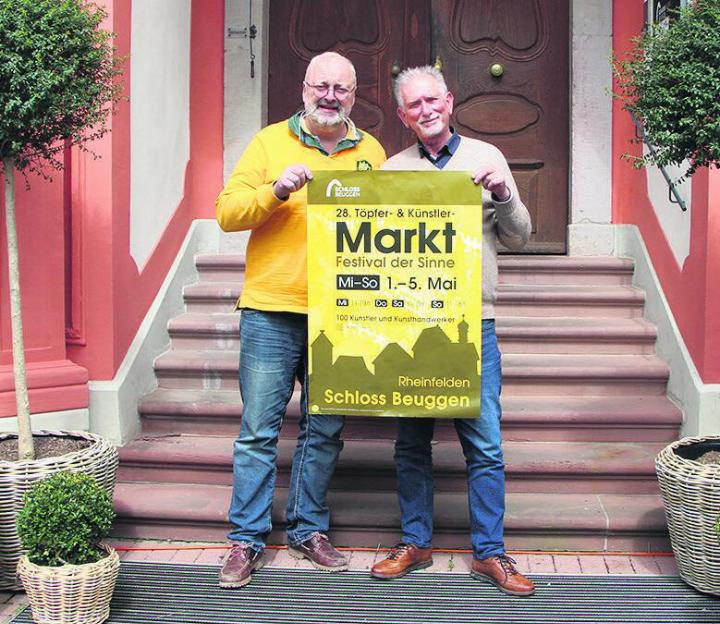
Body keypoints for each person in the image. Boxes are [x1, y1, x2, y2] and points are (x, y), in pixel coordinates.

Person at [215, 51, 386, 588]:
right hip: (271, 308)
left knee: (325, 428)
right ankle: (245, 540)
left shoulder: (373, 152)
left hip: (340, 316)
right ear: (303, 88)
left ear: (354, 96)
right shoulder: (269, 143)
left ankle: (308, 528)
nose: (330, 95)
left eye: (342, 88)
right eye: (321, 85)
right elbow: (226, 213)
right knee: (259, 431)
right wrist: (276, 191)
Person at [371, 66, 535, 597]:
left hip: (474, 323)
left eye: (432, 100)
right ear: (403, 114)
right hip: (411, 324)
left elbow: (520, 239)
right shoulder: (391, 170)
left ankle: (490, 553)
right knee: (411, 443)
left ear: (450, 101)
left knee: (484, 444)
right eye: (413, 104)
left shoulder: (487, 157)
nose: (425, 110)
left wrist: (505, 194)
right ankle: (415, 541)